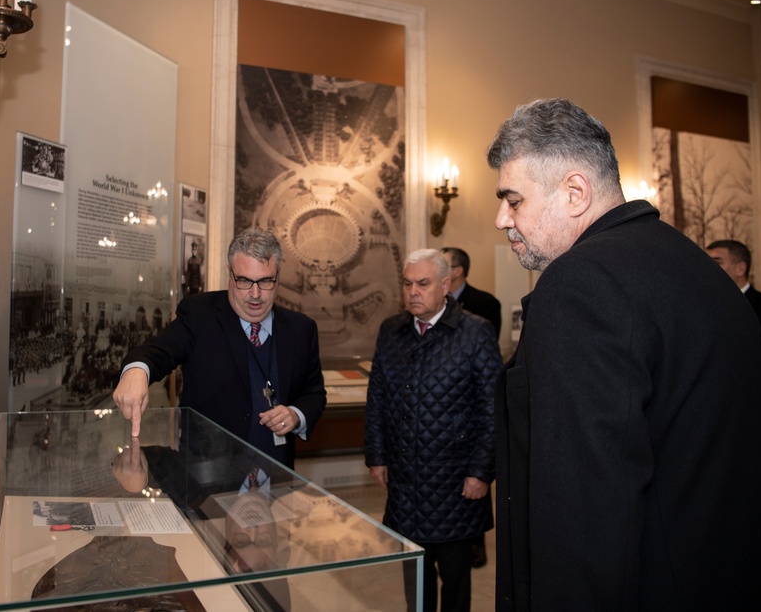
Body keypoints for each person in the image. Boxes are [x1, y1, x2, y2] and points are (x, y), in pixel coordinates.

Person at [487, 98, 761, 610]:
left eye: (513, 199)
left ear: (574, 192)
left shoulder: (580, 283)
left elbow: (584, 510)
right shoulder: (689, 262)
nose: (500, 219)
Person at [112, 228, 326, 468]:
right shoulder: (200, 315)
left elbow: (314, 394)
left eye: (265, 281)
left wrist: (296, 415)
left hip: (277, 482)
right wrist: (136, 371)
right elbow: (158, 351)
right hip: (209, 480)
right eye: (244, 280)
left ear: (278, 276)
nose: (255, 295)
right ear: (230, 273)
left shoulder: (301, 329)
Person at [365, 249, 502, 612]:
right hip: (406, 482)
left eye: (423, 284)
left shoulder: (475, 332)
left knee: (455, 581)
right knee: (415, 576)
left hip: (455, 484)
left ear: (445, 285)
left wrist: (481, 470)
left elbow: (492, 409)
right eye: (407, 284)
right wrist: (377, 457)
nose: (413, 292)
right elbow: (377, 396)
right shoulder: (392, 331)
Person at [441, 246, 501, 570]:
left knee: (470, 503)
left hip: (468, 418)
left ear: (458, 271)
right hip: (441, 424)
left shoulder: (486, 305)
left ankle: (474, 547)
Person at [706, 239, 761, 438]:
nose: (709, 267)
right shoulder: (704, 309)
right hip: (716, 421)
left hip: (758, 415)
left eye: (717, 262)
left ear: (741, 268)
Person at [441, 247, 502, 339]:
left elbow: (486, 340)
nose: (437, 271)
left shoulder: (486, 302)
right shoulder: (435, 300)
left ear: (458, 271)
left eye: (443, 266)